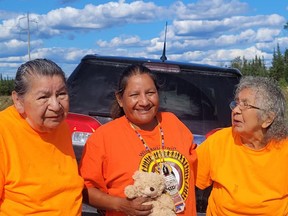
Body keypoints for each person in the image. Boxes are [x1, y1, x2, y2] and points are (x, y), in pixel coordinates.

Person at [79, 64, 197, 216]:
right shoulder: (103, 138)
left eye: (150, 93)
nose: (144, 102)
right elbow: (84, 190)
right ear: (120, 99)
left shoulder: (173, 123)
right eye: (134, 95)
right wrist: (121, 205)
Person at [0, 59, 84, 215]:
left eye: (61, 94)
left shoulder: (59, 125)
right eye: (43, 97)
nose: (56, 106)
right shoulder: (4, 132)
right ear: (18, 101)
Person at [196, 76, 288, 215]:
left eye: (246, 105)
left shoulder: (284, 147)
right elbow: (186, 180)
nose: (236, 110)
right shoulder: (218, 142)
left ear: (268, 119)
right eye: (237, 103)